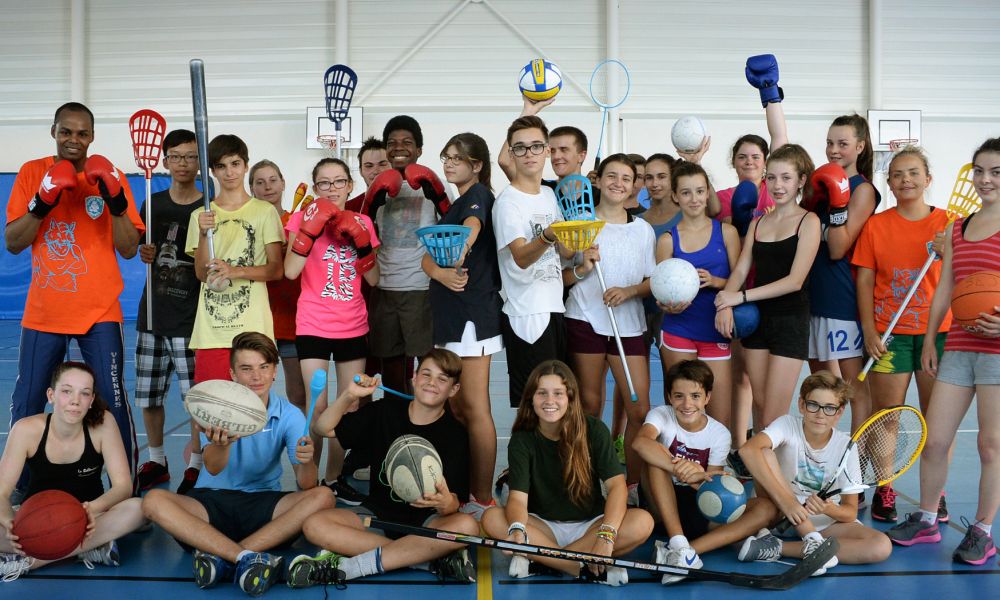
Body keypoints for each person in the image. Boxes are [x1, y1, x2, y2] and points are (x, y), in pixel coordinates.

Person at [5, 102, 143, 499]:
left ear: (92, 137)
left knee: (111, 403)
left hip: (100, 309)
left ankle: (123, 488)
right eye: (66, 131)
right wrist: (42, 201)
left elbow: (129, 247)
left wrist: (115, 198)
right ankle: (24, 488)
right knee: (29, 399)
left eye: (82, 133)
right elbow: (14, 243)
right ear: (53, 131)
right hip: (45, 311)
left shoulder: (109, 174)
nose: (73, 140)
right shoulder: (33, 173)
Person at [141, 332, 334, 596]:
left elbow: (306, 484)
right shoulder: (213, 407)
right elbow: (213, 468)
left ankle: (223, 556)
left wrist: (307, 460)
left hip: (264, 505)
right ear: (233, 374)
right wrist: (222, 445)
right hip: (210, 504)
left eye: (264, 367)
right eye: (246, 369)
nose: (257, 377)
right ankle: (245, 556)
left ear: (274, 371)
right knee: (153, 501)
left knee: (323, 496)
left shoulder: (289, 415)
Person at [885, 138, 1000, 565]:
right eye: (980, 171)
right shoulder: (958, 228)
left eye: (996, 172)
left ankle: (983, 532)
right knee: (934, 441)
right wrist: (933, 337)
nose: (985, 179)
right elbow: (945, 289)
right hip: (960, 345)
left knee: (991, 446)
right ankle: (928, 518)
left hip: (997, 350)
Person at [286, 349, 477, 587]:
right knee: (314, 525)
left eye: (442, 379)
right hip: (377, 518)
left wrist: (445, 503)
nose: (431, 383)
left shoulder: (455, 434)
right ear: (414, 378)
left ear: (454, 389)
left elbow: (453, 504)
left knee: (466, 526)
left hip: (427, 522)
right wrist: (349, 395)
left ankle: (358, 566)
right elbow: (323, 428)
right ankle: (424, 559)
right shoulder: (384, 411)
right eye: (426, 374)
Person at [481, 360, 653, 586]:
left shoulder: (593, 430)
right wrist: (518, 528)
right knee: (491, 518)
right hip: (542, 526)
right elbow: (517, 499)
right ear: (531, 399)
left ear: (571, 398)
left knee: (642, 521)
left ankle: (541, 560)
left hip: (591, 524)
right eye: (542, 393)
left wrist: (606, 535)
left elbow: (616, 487)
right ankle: (577, 567)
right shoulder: (523, 439)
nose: (550, 401)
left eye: (558, 393)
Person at [851, 146, 951, 523]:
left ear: (928, 179)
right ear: (889, 182)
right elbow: (864, 279)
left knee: (935, 419)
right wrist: (869, 328)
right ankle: (885, 488)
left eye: (913, 173)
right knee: (887, 416)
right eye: (897, 174)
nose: (905, 179)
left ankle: (935, 493)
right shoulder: (877, 226)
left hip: (936, 336)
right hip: (889, 336)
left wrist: (950, 251)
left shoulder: (950, 224)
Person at [182, 134, 284, 494]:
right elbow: (199, 273)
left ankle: (255, 475)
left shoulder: (264, 211)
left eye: (235, 164)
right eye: (221, 166)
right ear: (212, 170)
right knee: (209, 408)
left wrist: (235, 270)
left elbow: (275, 269)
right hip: (211, 327)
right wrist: (205, 232)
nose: (229, 172)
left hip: (253, 326)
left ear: (244, 164)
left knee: (254, 407)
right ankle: (202, 469)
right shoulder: (201, 215)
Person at [634, 359, 777, 584]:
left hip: (697, 505)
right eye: (679, 396)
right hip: (659, 503)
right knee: (654, 458)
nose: (687, 404)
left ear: (707, 398)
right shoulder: (661, 415)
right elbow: (640, 443)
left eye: (695, 396)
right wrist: (678, 467)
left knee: (766, 508)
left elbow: (710, 488)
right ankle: (678, 541)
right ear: (670, 397)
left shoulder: (719, 434)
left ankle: (684, 553)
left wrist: (699, 476)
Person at [0, 362, 146, 580]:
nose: (75, 400)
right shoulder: (26, 429)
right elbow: (1, 492)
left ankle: (29, 562)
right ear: (51, 395)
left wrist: (90, 508)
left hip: (90, 520)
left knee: (140, 508)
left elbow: (123, 486)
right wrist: (11, 524)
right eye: (67, 391)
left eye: (84, 393)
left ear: (91, 400)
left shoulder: (104, 424)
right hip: (36, 521)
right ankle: (89, 548)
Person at [284, 158, 379, 491]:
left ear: (350, 185)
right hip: (312, 324)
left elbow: (374, 277)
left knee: (348, 405)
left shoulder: (364, 220)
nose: (333, 189)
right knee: (318, 405)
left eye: (339, 182)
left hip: (353, 325)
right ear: (315, 188)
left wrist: (361, 241)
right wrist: (309, 231)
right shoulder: (301, 218)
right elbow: (291, 271)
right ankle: (308, 479)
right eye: (324, 183)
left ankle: (334, 478)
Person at [737, 371, 892, 575]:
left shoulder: (845, 447)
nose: (820, 414)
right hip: (778, 512)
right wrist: (789, 503)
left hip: (822, 523)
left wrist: (828, 508)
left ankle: (776, 548)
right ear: (802, 405)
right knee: (763, 452)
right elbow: (747, 450)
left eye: (829, 408)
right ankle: (810, 541)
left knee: (880, 545)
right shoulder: (787, 425)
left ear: (839, 412)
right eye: (814, 405)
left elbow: (850, 511)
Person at [422, 133, 503, 514]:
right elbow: (427, 261)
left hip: (473, 317)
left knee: (474, 406)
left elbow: (473, 226)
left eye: (458, 158)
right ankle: (465, 486)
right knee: (456, 408)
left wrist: (461, 250)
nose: (449, 163)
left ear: (477, 165)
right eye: (446, 157)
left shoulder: (478, 198)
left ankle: (482, 498)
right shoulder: (453, 204)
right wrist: (440, 273)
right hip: (450, 319)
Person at [564, 153, 654, 495]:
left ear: (635, 186)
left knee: (639, 408)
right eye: (611, 176)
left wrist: (629, 291)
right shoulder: (579, 224)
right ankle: (585, 479)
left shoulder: (642, 230)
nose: (618, 183)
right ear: (597, 180)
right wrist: (584, 266)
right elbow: (561, 279)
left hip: (627, 325)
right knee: (589, 406)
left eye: (626, 178)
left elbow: (651, 281)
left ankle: (632, 484)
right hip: (584, 319)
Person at [715, 144, 821, 431]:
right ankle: (762, 477)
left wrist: (741, 296)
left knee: (775, 416)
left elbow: (795, 281)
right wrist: (725, 303)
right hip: (758, 321)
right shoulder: (758, 223)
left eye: (786, 178)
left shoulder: (809, 222)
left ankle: (779, 477)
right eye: (771, 177)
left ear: (801, 181)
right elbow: (740, 269)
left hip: (790, 321)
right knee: (761, 410)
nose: (777, 185)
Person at [134, 129, 204, 491]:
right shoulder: (152, 202)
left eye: (191, 156)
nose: (183, 164)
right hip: (152, 316)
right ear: (164, 161)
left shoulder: (207, 209)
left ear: (200, 162)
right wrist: (143, 251)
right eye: (176, 156)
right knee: (148, 396)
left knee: (194, 400)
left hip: (191, 319)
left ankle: (195, 464)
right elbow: (140, 248)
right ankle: (156, 460)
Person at [363, 116, 451, 395]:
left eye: (407, 143)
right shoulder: (377, 188)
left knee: (426, 368)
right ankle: (396, 424)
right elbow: (362, 236)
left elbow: (452, 229)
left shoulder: (433, 185)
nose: (399, 148)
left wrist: (437, 196)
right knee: (390, 369)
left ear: (419, 150)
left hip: (420, 287)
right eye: (392, 143)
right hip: (385, 287)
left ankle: (424, 425)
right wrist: (370, 202)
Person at [805, 114, 880, 435]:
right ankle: (824, 454)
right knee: (820, 388)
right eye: (829, 143)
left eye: (843, 144)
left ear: (860, 147)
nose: (833, 150)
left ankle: (855, 466)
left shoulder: (862, 190)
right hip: (811, 296)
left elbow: (837, 248)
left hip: (842, 300)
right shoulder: (822, 182)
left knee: (854, 391)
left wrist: (836, 198)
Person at [493, 115, 574, 407]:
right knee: (534, 406)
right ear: (511, 154)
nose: (529, 154)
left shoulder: (550, 195)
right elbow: (521, 257)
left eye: (536, 146)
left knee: (556, 404)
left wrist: (581, 246)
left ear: (548, 151)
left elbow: (564, 252)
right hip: (527, 315)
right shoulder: (508, 201)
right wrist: (550, 236)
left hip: (555, 309)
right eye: (520, 148)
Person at [658, 161, 740, 438]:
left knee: (719, 414)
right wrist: (666, 304)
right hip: (679, 328)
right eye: (686, 192)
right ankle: (678, 471)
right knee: (681, 410)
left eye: (699, 191)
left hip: (715, 329)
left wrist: (716, 282)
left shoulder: (726, 233)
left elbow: (740, 284)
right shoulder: (668, 241)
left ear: (708, 194)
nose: (694, 199)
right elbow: (660, 291)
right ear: (675, 196)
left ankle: (715, 474)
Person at [251, 159, 305, 415]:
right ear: (252, 188)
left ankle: (304, 448)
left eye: (273, 180)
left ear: (283, 183)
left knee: (297, 392)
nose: (268, 187)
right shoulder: (248, 225)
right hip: (256, 320)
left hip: (291, 320)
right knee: (253, 392)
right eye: (260, 182)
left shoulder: (298, 222)